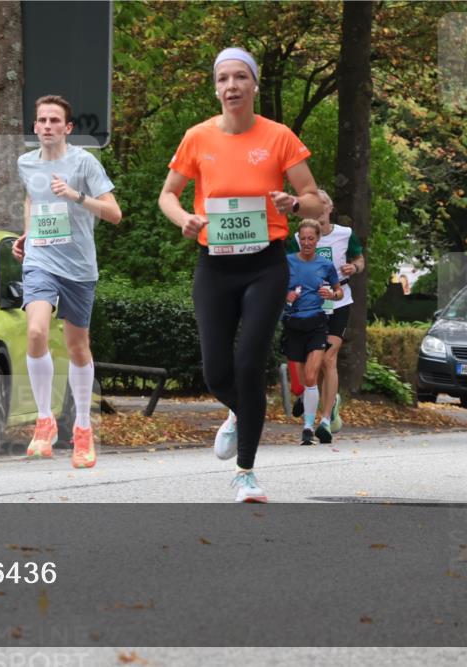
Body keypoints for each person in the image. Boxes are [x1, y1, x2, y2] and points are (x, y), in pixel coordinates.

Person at [158, 47, 321, 502]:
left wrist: (294, 204)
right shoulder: (197, 138)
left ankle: (245, 472)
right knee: (215, 372)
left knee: (249, 363)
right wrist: (182, 220)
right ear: (215, 87)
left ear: (253, 84)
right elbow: (168, 195)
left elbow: (313, 196)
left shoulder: (279, 137)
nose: (231, 86)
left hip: (265, 264)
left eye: (240, 78)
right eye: (223, 79)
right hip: (215, 265)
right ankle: (239, 412)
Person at [13, 95, 122, 469]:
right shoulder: (25, 162)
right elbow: (32, 199)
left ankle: (82, 429)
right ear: (35, 126)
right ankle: (44, 422)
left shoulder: (83, 162)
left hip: (78, 267)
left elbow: (114, 213)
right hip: (40, 260)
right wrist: (27, 234)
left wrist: (76, 195)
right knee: (36, 333)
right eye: (41, 120)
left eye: (54, 120)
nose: (46, 126)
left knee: (78, 347)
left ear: (67, 127)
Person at [286, 189, 365, 439]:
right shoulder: (300, 237)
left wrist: (354, 266)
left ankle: (326, 419)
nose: (318, 212)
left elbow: (360, 259)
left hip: (338, 301)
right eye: (313, 208)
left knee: (329, 359)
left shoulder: (345, 234)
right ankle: (314, 397)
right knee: (311, 363)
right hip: (307, 305)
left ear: (330, 209)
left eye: (322, 208)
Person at [284, 220, 343, 445]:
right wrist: (286, 296)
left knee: (311, 377)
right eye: (303, 239)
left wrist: (331, 294)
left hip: (317, 324)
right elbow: (275, 288)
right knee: (299, 384)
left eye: (311, 238)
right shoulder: (287, 261)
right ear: (299, 239)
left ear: (318, 240)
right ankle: (306, 405)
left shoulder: (325, 265)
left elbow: (338, 292)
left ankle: (308, 428)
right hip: (293, 324)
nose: (307, 243)